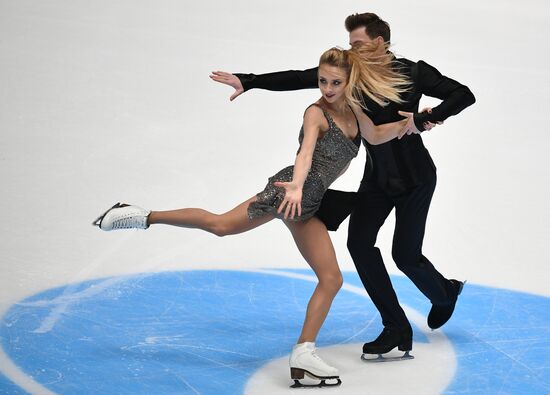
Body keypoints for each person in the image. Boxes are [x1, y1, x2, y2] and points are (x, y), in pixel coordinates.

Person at [94, 45, 412, 387]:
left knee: (331, 279)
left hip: (309, 203)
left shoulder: (354, 110)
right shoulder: (316, 113)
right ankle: (141, 215)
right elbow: (305, 154)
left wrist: (411, 124)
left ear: (349, 82)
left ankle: (303, 356)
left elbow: (377, 135)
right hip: (290, 192)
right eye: (322, 81)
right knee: (220, 225)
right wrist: (295, 186)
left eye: (335, 82)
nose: (327, 89)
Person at [210, 12, 476, 361]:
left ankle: (445, 293)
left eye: (358, 44)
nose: (352, 51)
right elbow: (302, 77)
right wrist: (251, 80)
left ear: (380, 43)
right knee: (360, 245)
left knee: (405, 255)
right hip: (377, 180)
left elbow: (463, 94)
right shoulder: (353, 75)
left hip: (416, 178)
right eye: (350, 45)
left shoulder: (413, 72)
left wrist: (424, 119)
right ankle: (395, 326)